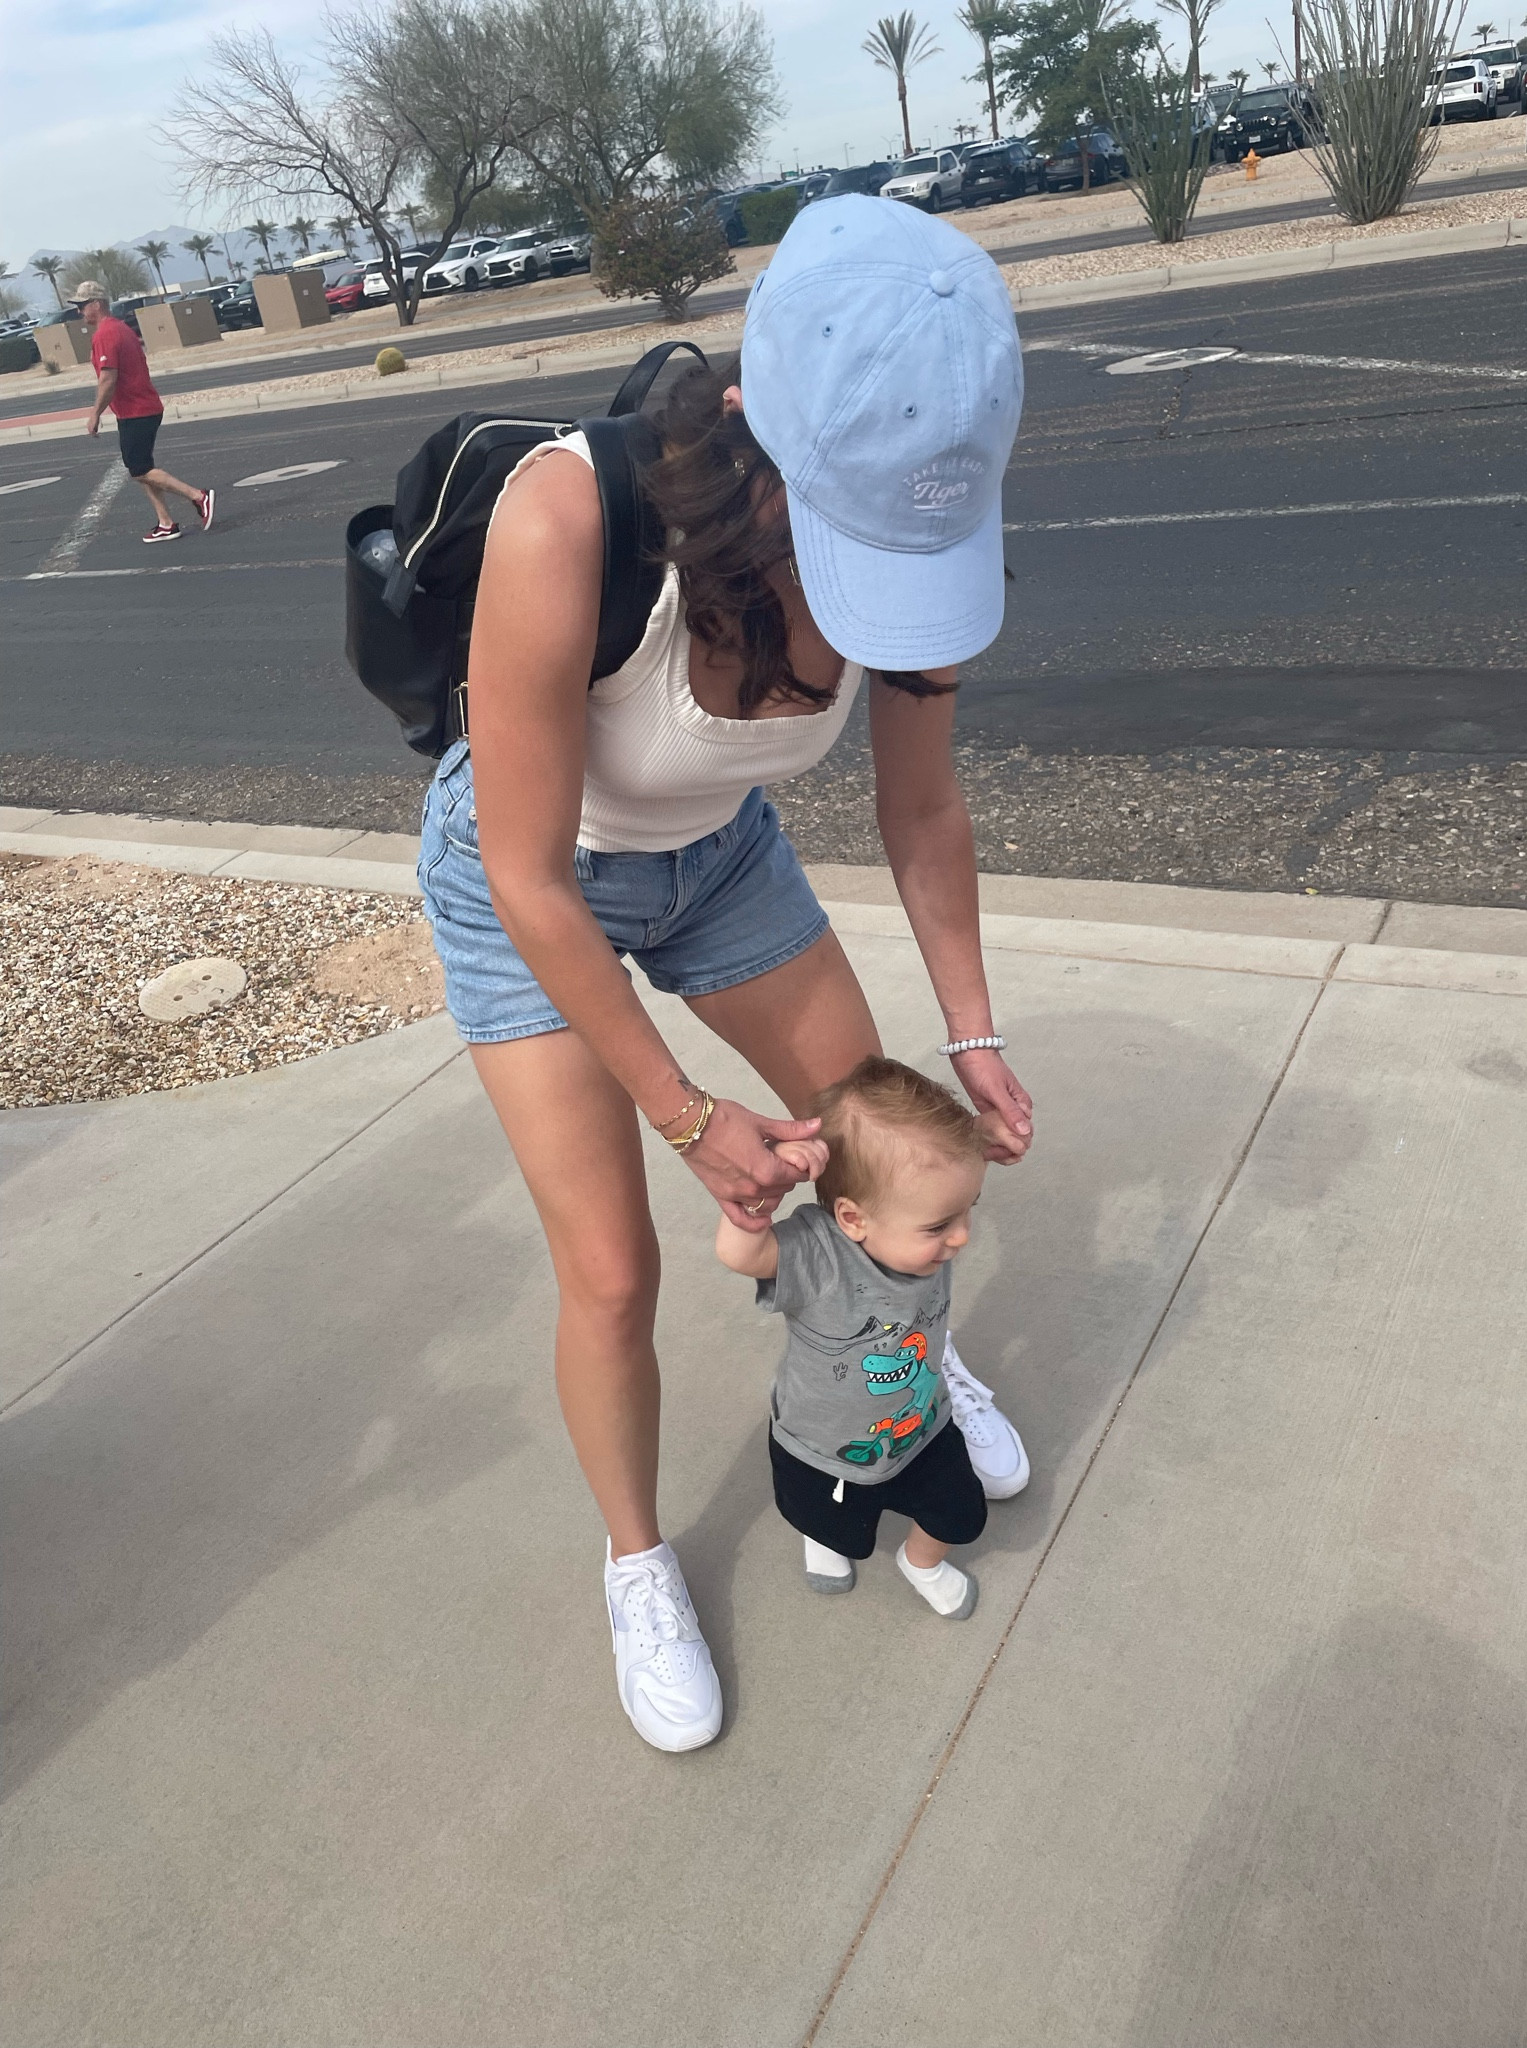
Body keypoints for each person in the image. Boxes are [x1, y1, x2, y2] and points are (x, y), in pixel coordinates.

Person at [417, 193, 1034, 1754]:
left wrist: (973, 1032)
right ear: (758, 434)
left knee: (881, 1139)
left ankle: (903, 1370)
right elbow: (526, 873)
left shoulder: (927, 518)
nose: (868, 597)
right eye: (849, 541)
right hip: (536, 881)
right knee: (615, 1270)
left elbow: (923, 805)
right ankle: (636, 1556)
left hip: (717, 859)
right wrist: (689, 1118)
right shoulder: (571, 518)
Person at [715, 1056, 992, 1621]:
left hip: (920, 1424)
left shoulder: (919, 1220)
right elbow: (738, 1254)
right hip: (823, 1446)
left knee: (960, 1511)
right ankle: (824, 1539)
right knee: (831, 1520)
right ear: (852, 1217)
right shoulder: (819, 1257)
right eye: (940, 1225)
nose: (961, 1236)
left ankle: (922, 1563)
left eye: (969, 1210)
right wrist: (759, 1197)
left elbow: (942, 1178)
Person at [70, 281, 214, 544]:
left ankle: (198, 496)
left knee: (139, 469)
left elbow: (108, 378)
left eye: (81, 306)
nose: (79, 312)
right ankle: (166, 523)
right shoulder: (121, 328)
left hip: (137, 410)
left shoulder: (105, 334)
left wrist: (95, 414)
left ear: (97, 304)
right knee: (142, 467)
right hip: (140, 407)